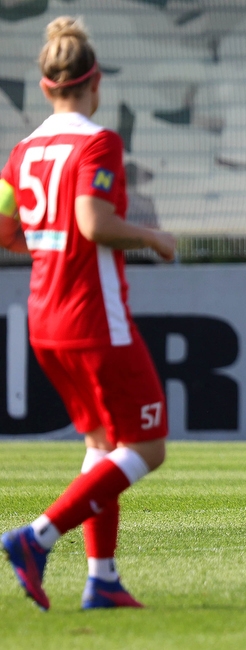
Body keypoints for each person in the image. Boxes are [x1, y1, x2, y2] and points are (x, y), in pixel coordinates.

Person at [0, 16, 176, 611]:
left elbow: (4, 230)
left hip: (43, 318)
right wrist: (153, 237)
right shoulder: (98, 142)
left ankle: (101, 578)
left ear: (47, 86)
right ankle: (37, 537)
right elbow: (93, 223)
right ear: (94, 82)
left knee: (104, 443)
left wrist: (44, 244)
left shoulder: (23, 151)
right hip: (93, 319)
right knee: (148, 446)